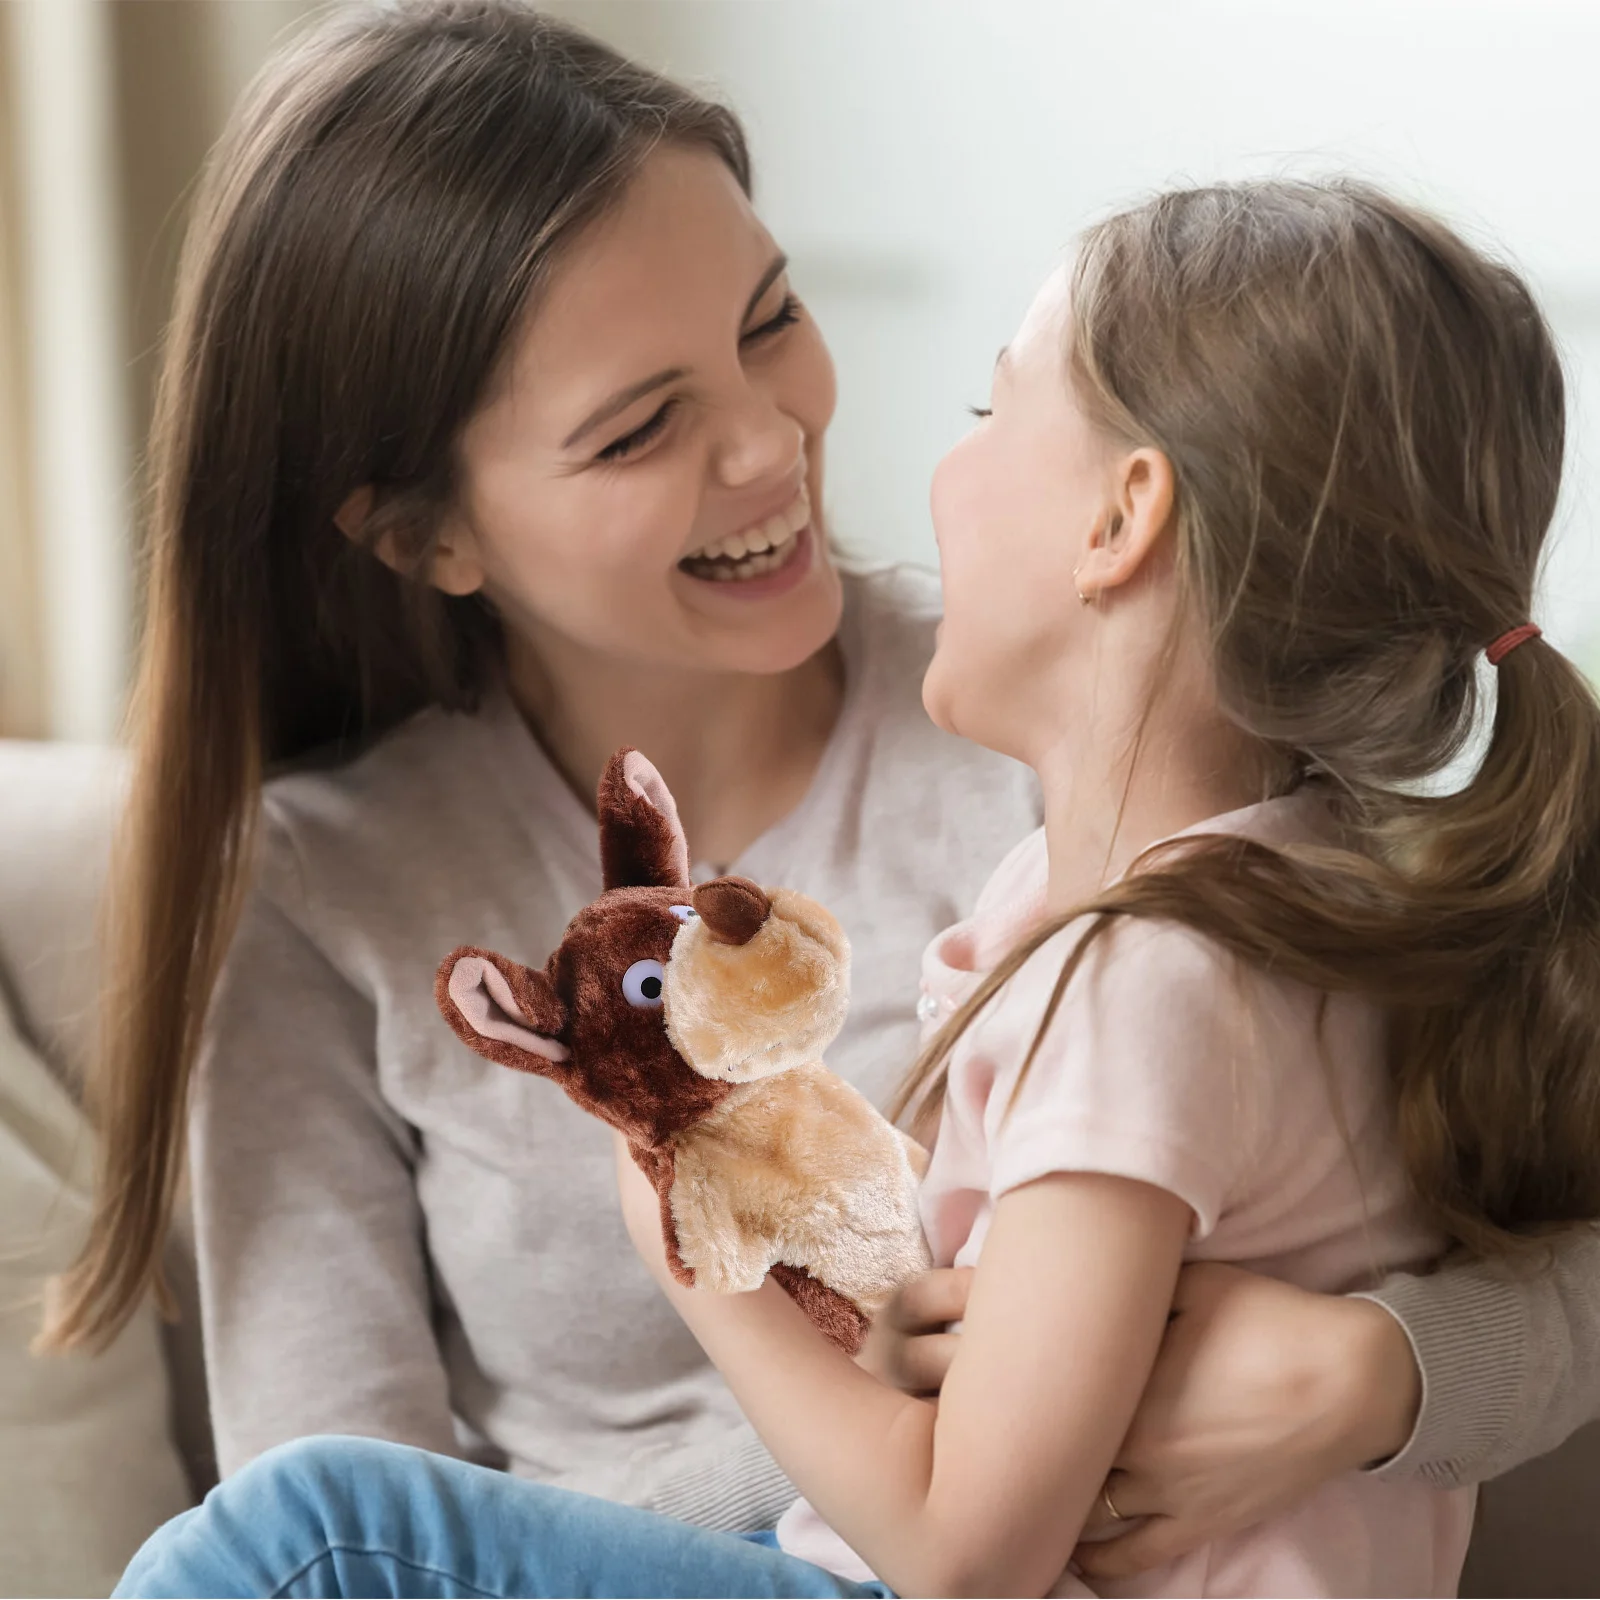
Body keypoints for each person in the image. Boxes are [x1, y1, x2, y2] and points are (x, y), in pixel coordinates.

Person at [66, 3, 1599, 1592]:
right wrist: (844, 1382)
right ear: (423, 537)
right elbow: (366, 1516)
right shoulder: (327, 895)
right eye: (640, 427)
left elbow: (1478, 1192)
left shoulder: (1094, 738)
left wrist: (1374, 1376)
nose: (769, 441)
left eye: (771, 317)